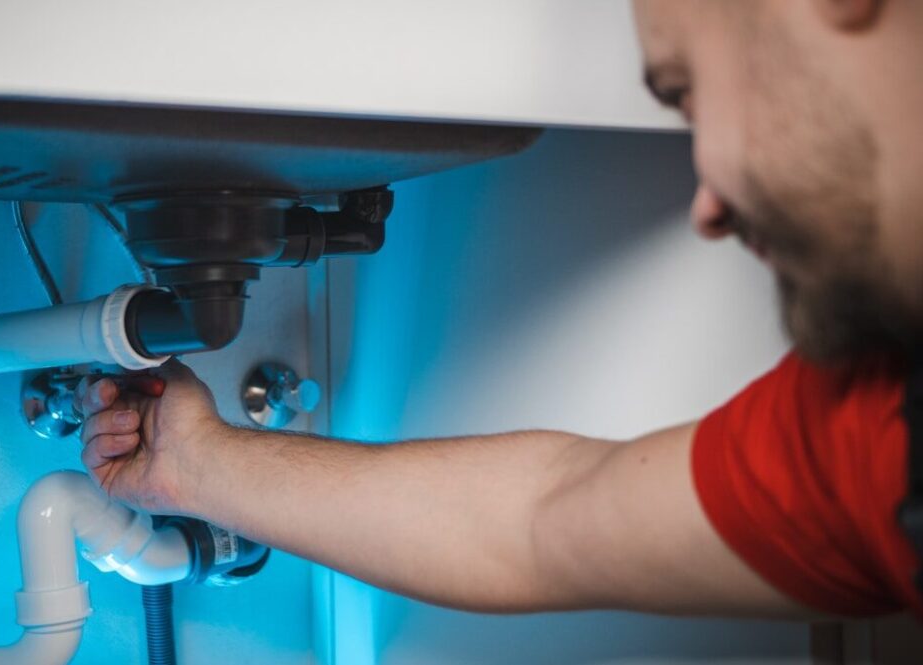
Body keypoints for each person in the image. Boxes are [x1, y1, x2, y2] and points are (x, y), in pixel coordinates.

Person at [76, 0, 923, 619]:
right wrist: (199, 463)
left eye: (691, 92)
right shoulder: (874, 436)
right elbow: (542, 519)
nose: (708, 205)